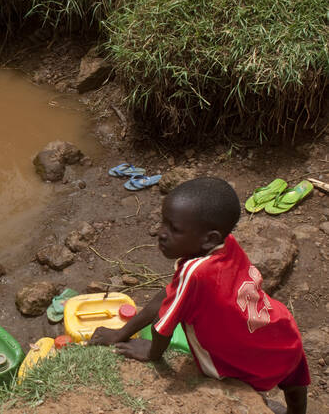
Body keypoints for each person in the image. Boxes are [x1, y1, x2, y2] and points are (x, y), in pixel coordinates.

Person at [90, 177, 309, 414]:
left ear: (209, 239)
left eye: (174, 229)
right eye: (163, 222)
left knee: (249, 394)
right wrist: (123, 331)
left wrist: (152, 352)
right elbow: (168, 295)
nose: (161, 234)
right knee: (295, 390)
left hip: (250, 359)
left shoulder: (195, 273)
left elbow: (163, 325)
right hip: (283, 335)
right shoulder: (228, 244)